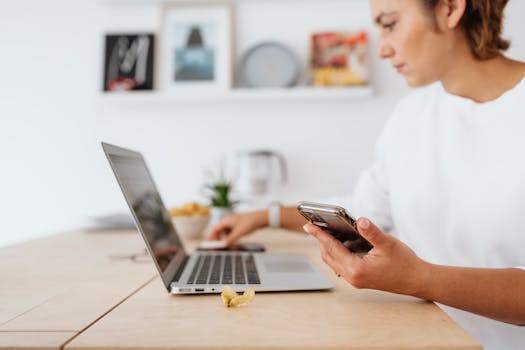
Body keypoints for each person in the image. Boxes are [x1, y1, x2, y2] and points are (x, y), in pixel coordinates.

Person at [207, 0, 525, 348]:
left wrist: (419, 279)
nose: (383, 49)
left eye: (389, 24)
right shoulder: (412, 114)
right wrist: (264, 215)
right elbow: (365, 211)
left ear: (450, 9)